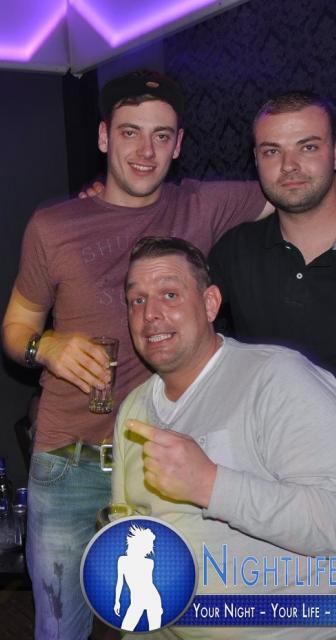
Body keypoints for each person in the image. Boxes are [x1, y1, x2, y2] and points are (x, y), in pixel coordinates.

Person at [2, 69, 268, 639]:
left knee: (170, 621)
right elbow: (15, 327)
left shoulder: (201, 205)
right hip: (69, 461)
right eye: (130, 132)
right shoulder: (53, 226)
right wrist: (46, 344)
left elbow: (295, 187)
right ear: (104, 137)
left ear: (179, 144)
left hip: (167, 458)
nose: (146, 151)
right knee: (60, 627)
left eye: (161, 135)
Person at [114, 235, 336, 639]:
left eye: (169, 294)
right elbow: (130, 533)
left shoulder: (276, 379)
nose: (150, 314)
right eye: (137, 300)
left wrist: (211, 485)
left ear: (210, 303)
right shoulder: (133, 409)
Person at [208, 91, 336, 375]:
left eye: (308, 147)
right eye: (272, 151)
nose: (289, 165)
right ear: (256, 159)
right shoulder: (235, 251)